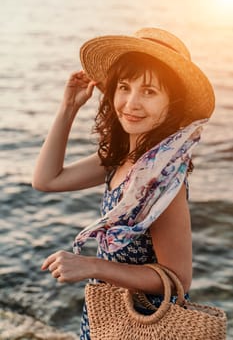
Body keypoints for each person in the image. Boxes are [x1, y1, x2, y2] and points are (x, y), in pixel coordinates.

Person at [32, 27, 215, 339]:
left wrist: (92, 266)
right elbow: (47, 179)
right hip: (107, 316)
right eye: (124, 87)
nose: (131, 103)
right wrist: (68, 108)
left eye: (149, 92)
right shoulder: (119, 159)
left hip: (144, 325)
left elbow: (179, 279)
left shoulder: (162, 179)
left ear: (174, 102)